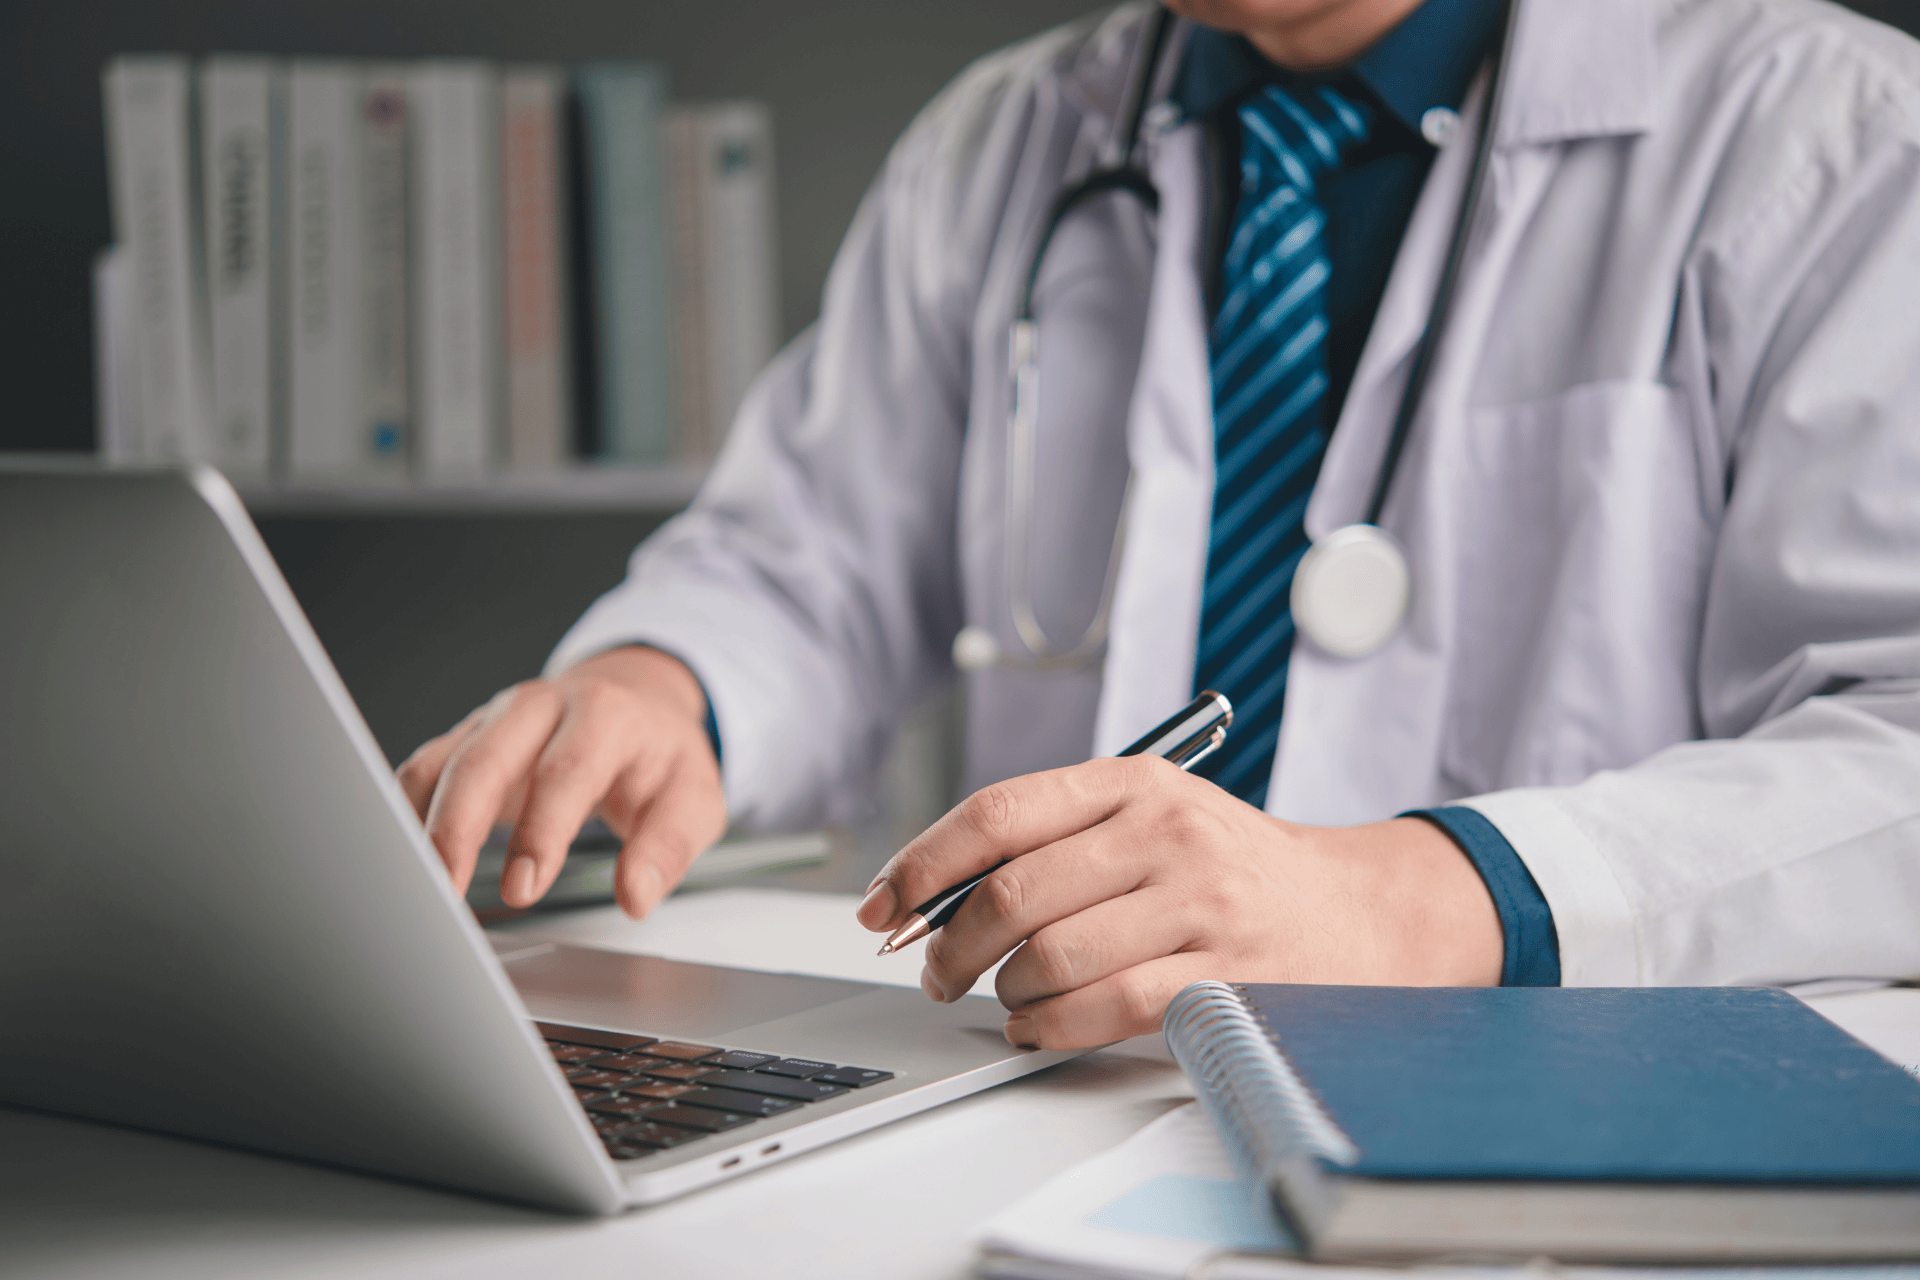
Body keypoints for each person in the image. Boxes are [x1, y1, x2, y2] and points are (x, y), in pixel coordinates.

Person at [400, 0, 1920, 1051]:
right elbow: (803, 568)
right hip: (1065, 1078)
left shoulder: (1836, 141)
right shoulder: (1002, 143)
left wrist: (1412, 895)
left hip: (1575, 1109)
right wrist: (670, 687)